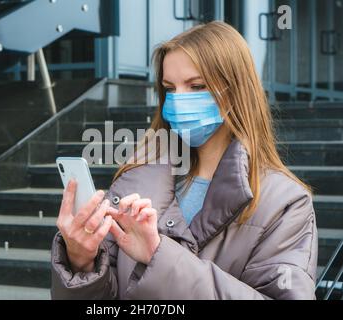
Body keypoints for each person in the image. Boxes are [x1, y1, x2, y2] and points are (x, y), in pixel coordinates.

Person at [51, 21, 318, 300]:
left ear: (237, 90)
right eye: (170, 88)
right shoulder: (134, 180)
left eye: (197, 86)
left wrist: (159, 256)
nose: (179, 100)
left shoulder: (285, 203)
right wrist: (81, 262)